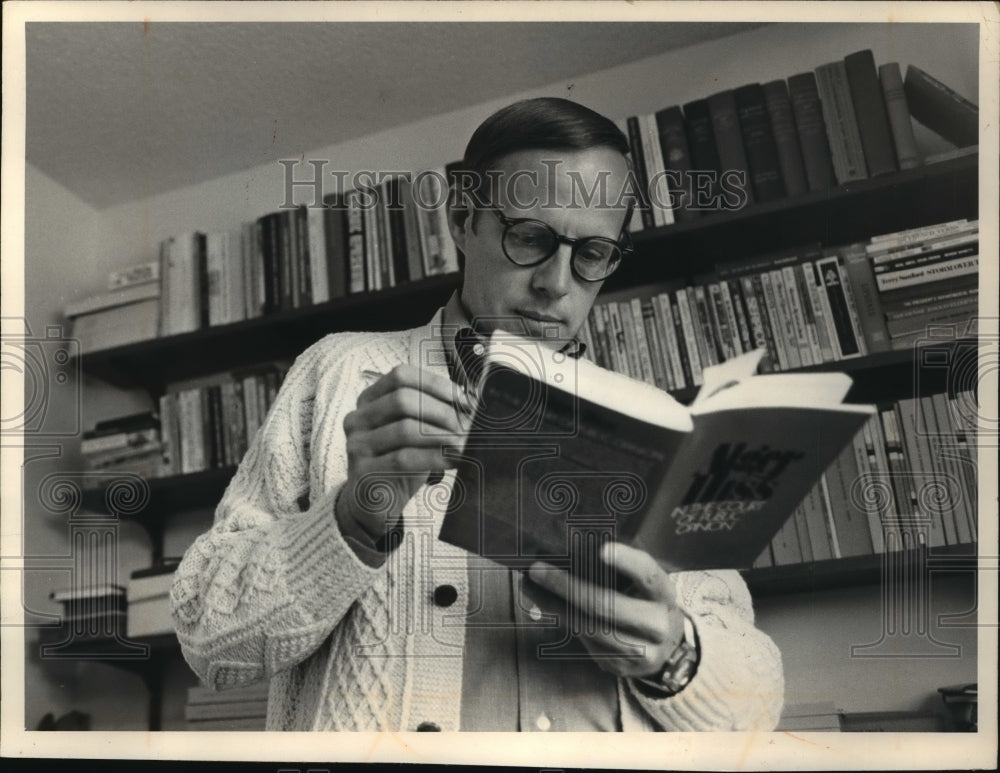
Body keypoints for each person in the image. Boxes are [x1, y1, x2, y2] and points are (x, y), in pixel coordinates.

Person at [171, 97, 784, 732]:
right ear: (463, 220)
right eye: (530, 237)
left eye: (594, 252)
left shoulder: (658, 428)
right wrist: (352, 516)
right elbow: (208, 643)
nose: (557, 283)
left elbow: (753, 712)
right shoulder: (338, 373)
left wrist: (674, 656)